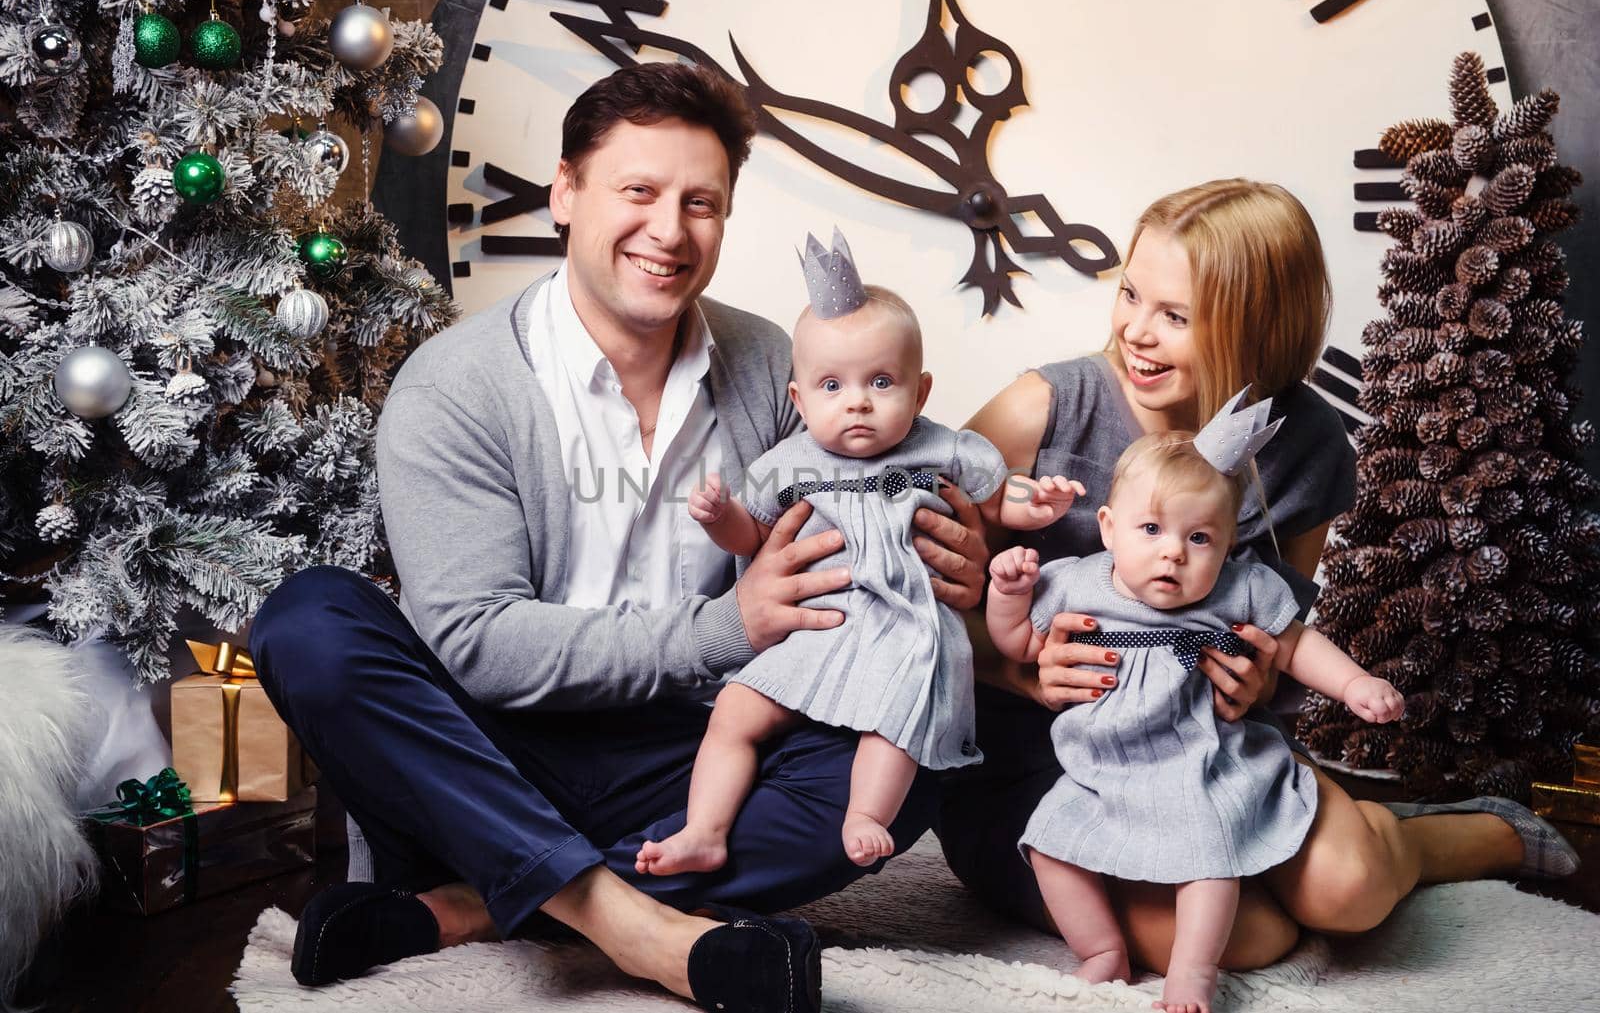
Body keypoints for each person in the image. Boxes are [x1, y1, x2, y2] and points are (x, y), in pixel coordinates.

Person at [247, 62, 989, 1013]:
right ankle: (638, 927)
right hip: (490, 755)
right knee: (309, 620)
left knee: (909, 752)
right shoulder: (458, 384)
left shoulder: (776, 365)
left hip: (696, 757)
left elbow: (856, 523)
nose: (670, 231)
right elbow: (478, 644)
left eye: (702, 202)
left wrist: (946, 560)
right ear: (565, 193)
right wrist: (727, 628)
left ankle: (470, 905)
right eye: (637, 191)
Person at [940, 178, 1578, 975]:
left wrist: (1256, 679)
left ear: (1255, 325)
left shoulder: (1307, 443)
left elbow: (1278, 630)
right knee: (1248, 937)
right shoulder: (1042, 410)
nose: (1136, 331)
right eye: (1132, 294)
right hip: (1044, 759)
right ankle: (1333, 838)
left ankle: (1441, 835)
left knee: (1351, 889)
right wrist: (1015, 666)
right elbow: (907, 588)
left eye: (1175, 316)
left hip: (1210, 747)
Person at [636, 231, 1081, 876]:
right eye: (832, 386)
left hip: (904, 631)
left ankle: (866, 812)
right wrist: (722, 518)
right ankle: (704, 829)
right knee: (734, 711)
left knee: (893, 722)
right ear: (799, 399)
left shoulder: (940, 448)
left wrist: (1030, 505)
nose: (858, 402)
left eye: (880, 381)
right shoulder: (789, 462)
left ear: (921, 392)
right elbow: (754, 539)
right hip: (820, 628)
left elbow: (992, 495)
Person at [987, 420, 1405, 1013]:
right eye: (1151, 529)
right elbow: (1018, 646)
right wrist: (1008, 593)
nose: (1172, 552)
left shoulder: (1239, 589)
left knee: (1208, 854)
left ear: (1230, 542)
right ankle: (1102, 949)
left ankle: (1193, 971)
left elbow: (1294, 644)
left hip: (1199, 764)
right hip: (1100, 770)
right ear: (1108, 528)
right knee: (1050, 846)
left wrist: (1354, 683)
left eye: (1200, 538)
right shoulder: (1077, 583)